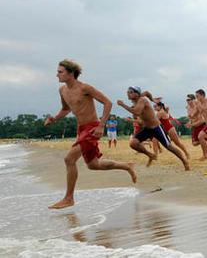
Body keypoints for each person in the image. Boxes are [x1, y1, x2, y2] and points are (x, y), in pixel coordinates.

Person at [44, 59, 136, 209]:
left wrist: (101, 125)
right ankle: (127, 166)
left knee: (69, 159)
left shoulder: (85, 88)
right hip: (81, 129)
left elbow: (107, 102)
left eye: (60, 72)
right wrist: (54, 119)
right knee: (93, 165)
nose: (57, 75)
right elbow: (66, 109)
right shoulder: (62, 90)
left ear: (71, 73)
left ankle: (69, 198)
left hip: (92, 128)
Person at [118, 88, 189, 170]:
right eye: (127, 92)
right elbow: (147, 92)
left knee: (169, 147)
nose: (128, 94)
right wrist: (153, 100)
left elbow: (137, 112)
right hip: (147, 128)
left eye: (131, 92)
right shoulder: (137, 98)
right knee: (133, 143)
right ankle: (151, 155)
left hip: (156, 127)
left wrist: (123, 105)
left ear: (137, 94)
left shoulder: (142, 100)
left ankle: (185, 161)